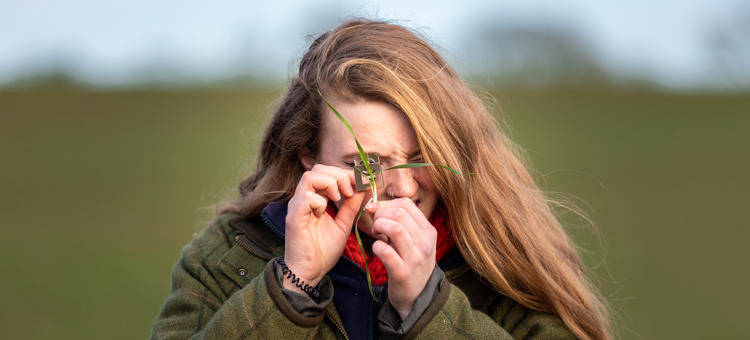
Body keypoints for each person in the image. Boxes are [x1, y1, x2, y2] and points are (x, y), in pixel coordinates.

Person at [150, 19, 610, 340]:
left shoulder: (501, 252)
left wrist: (429, 309)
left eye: (421, 157)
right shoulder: (228, 254)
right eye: (366, 164)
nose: (404, 190)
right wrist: (292, 287)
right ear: (308, 155)